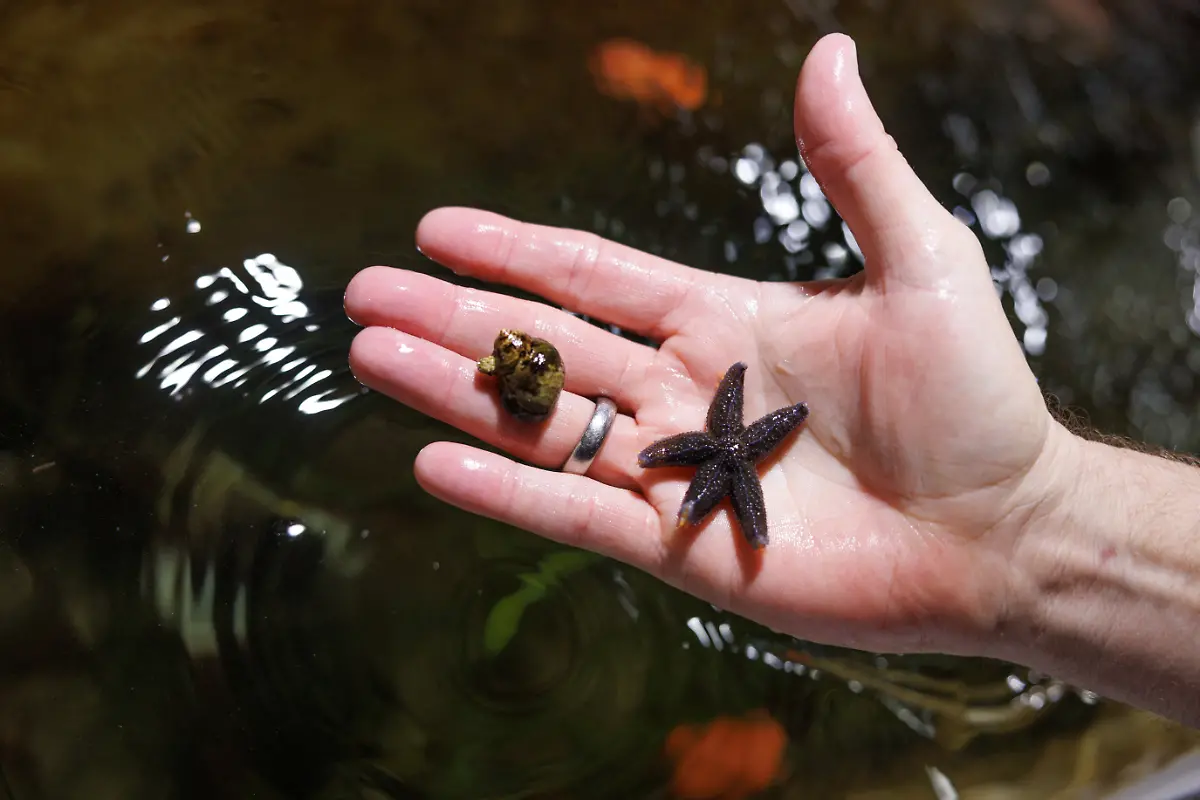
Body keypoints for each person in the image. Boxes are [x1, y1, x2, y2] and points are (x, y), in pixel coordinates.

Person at [345, 33, 1200, 729]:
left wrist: (1025, 519)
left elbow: (738, 442)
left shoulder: (738, 446)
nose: (738, 439)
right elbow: (732, 442)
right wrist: (1031, 520)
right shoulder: (734, 446)